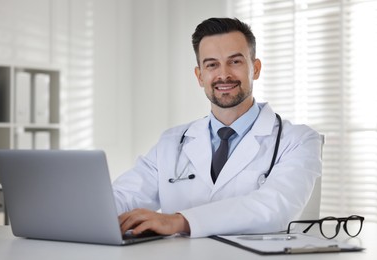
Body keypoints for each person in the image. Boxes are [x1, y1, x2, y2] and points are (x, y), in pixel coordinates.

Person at [113, 17, 322, 238]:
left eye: (235, 62)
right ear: (200, 76)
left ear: (256, 68)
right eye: (212, 64)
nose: (223, 74)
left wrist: (180, 221)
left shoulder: (299, 140)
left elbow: (275, 207)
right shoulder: (172, 142)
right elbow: (123, 197)